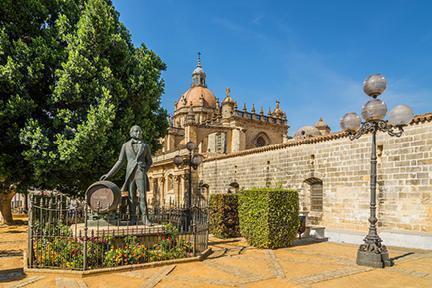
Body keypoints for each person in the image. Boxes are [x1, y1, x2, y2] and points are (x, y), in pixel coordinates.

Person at [100, 125, 152, 225]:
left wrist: (144, 170)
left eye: (140, 131)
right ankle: (133, 218)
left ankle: (145, 218)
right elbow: (120, 161)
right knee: (131, 196)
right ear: (131, 133)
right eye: (136, 131)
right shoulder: (125, 145)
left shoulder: (145, 146)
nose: (139, 133)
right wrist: (109, 174)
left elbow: (149, 161)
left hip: (140, 172)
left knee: (143, 196)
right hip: (130, 173)